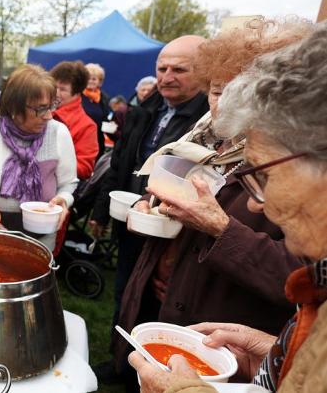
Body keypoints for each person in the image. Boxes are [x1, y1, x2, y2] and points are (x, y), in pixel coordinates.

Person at [112, 19, 311, 389]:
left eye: (240, 91)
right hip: (163, 306)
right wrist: (149, 206)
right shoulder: (199, 141)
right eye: (217, 91)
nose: (224, 105)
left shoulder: (294, 166)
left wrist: (220, 227)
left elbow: (304, 277)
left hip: (221, 334)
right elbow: (170, 195)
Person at [88, 36, 210, 381]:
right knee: (124, 291)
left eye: (179, 69)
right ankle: (120, 363)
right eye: (162, 68)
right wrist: (99, 211)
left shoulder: (206, 120)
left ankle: (150, 375)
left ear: (202, 73)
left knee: (157, 304)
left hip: (174, 232)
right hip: (130, 220)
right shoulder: (145, 107)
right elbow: (119, 165)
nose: (167, 76)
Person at [0, 64, 78, 253]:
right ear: (14, 106)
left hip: (40, 243)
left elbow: (69, 183)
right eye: (40, 109)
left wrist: (63, 199)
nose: (48, 116)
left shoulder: (58, 134)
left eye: (51, 106)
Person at [50, 61, 100, 180]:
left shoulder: (87, 126)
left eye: (62, 89)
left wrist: (49, 163)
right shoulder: (42, 111)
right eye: (54, 87)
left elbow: (85, 169)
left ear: (77, 93)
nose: (56, 93)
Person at [83, 63, 113, 153]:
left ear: (99, 82)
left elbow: (107, 119)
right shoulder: (77, 95)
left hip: (98, 141)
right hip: (82, 138)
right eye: (88, 78)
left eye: (94, 79)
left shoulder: (104, 98)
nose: (91, 81)